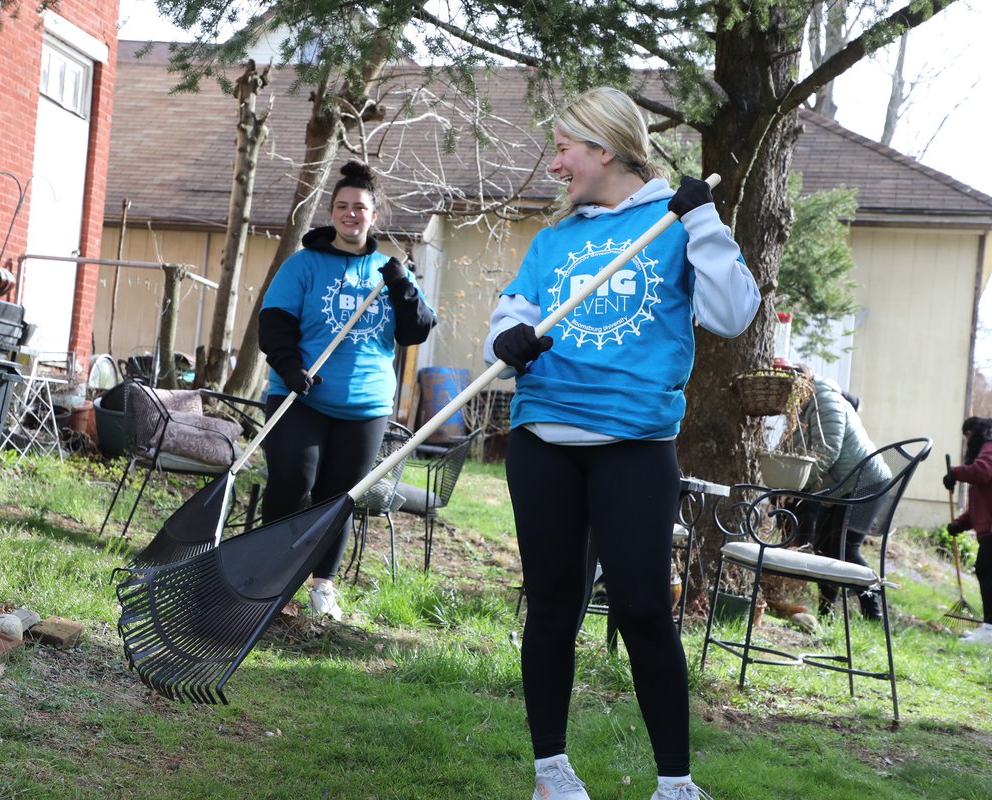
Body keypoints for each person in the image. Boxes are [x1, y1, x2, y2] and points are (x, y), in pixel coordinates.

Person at [482, 87, 759, 800]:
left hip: (634, 442)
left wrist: (703, 220)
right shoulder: (554, 241)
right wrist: (507, 341)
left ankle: (675, 784)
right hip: (544, 438)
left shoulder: (675, 224)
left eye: (563, 149)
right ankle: (550, 773)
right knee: (553, 605)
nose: (555, 165)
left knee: (642, 608)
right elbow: (507, 321)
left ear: (604, 149)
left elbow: (732, 314)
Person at [257, 161, 436, 621]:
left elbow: (416, 331)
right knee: (292, 483)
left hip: (365, 407)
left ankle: (322, 586)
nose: (350, 214)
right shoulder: (304, 264)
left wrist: (403, 288)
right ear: (331, 212)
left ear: (374, 215)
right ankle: (268, 579)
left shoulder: (389, 270)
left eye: (359, 207)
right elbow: (273, 325)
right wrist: (291, 368)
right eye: (342, 206)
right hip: (301, 397)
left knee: (339, 500)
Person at [795, 372, 891, 621]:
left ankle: (874, 612)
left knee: (845, 548)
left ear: (802, 383)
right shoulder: (805, 406)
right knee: (824, 548)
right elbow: (795, 448)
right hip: (841, 486)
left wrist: (799, 484)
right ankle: (825, 615)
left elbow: (828, 450)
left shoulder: (826, 401)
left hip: (865, 482)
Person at [944, 416, 992, 644]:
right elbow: (979, 505)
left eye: (968, 435)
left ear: (975, 433)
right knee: (987, 571)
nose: (967, 442)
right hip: (990, 526)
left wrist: (954, 473)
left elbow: (982, 471)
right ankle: (989, 627)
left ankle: (991, 630)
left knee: (986, 570)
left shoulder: (991, 446)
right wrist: (960, 523)